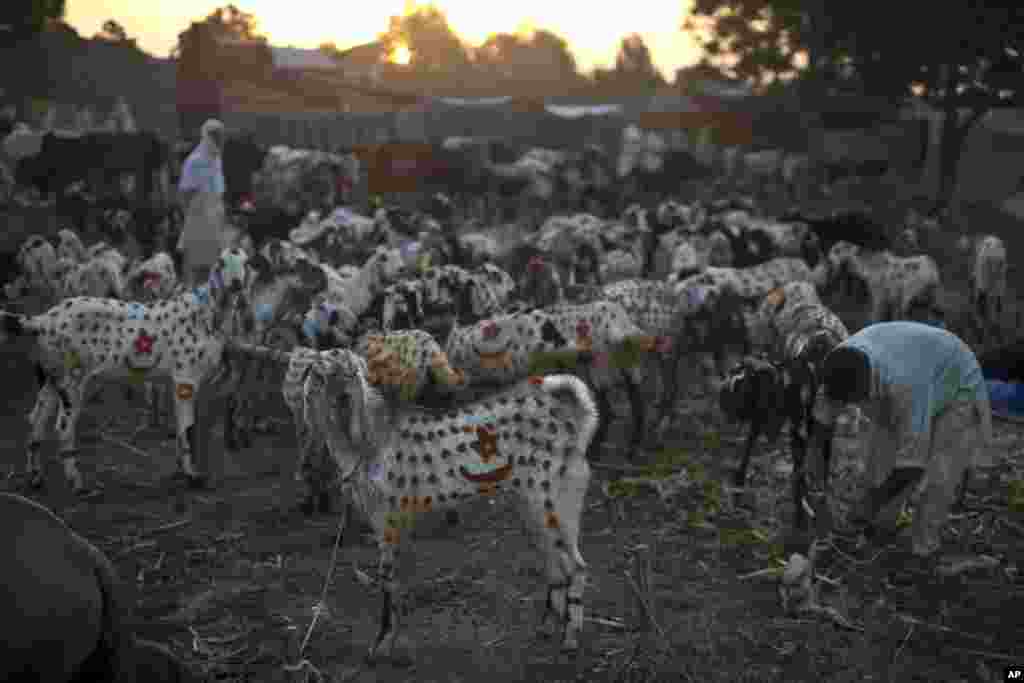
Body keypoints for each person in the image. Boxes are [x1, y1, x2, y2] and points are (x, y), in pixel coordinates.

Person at [814, 321, 991, 574]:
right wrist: (818, 489)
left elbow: (912, 464)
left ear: (864, 390)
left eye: (851, 402)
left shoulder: (905, 385)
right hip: (912, 363)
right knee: (878, 464)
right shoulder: (837, 367)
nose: (848, 408)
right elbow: (819, 432)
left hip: (956, 381)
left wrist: (870, 503)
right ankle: (878, 531)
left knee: (937, 477)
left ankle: (923, 552)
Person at [177, 119, 227, 287]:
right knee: (197, 271)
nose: (219, 139)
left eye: (220, 135)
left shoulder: (217, 160)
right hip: (198, 220)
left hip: (215, 221)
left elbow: (219, 192)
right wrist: (191, 217)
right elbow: (184, 192)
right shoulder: (194, 161)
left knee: (215, 271)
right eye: (215, 135)